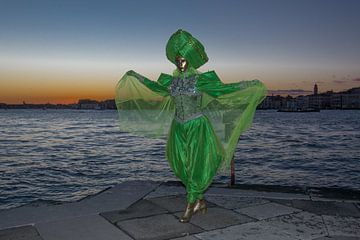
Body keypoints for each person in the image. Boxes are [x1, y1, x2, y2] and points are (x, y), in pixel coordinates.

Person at [115, 29, 267, 223]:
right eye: (177, 60)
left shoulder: (200, 80)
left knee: (196, 165)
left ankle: (190, 205)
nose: (181, 63)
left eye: (184, 60)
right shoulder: (171, 82)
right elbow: (155, 86)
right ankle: (200, 200)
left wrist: (247, 85)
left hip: (197, 127)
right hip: (178, 127)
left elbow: (223, 90)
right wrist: (137, 76)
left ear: (190, 61)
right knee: (180, 164)